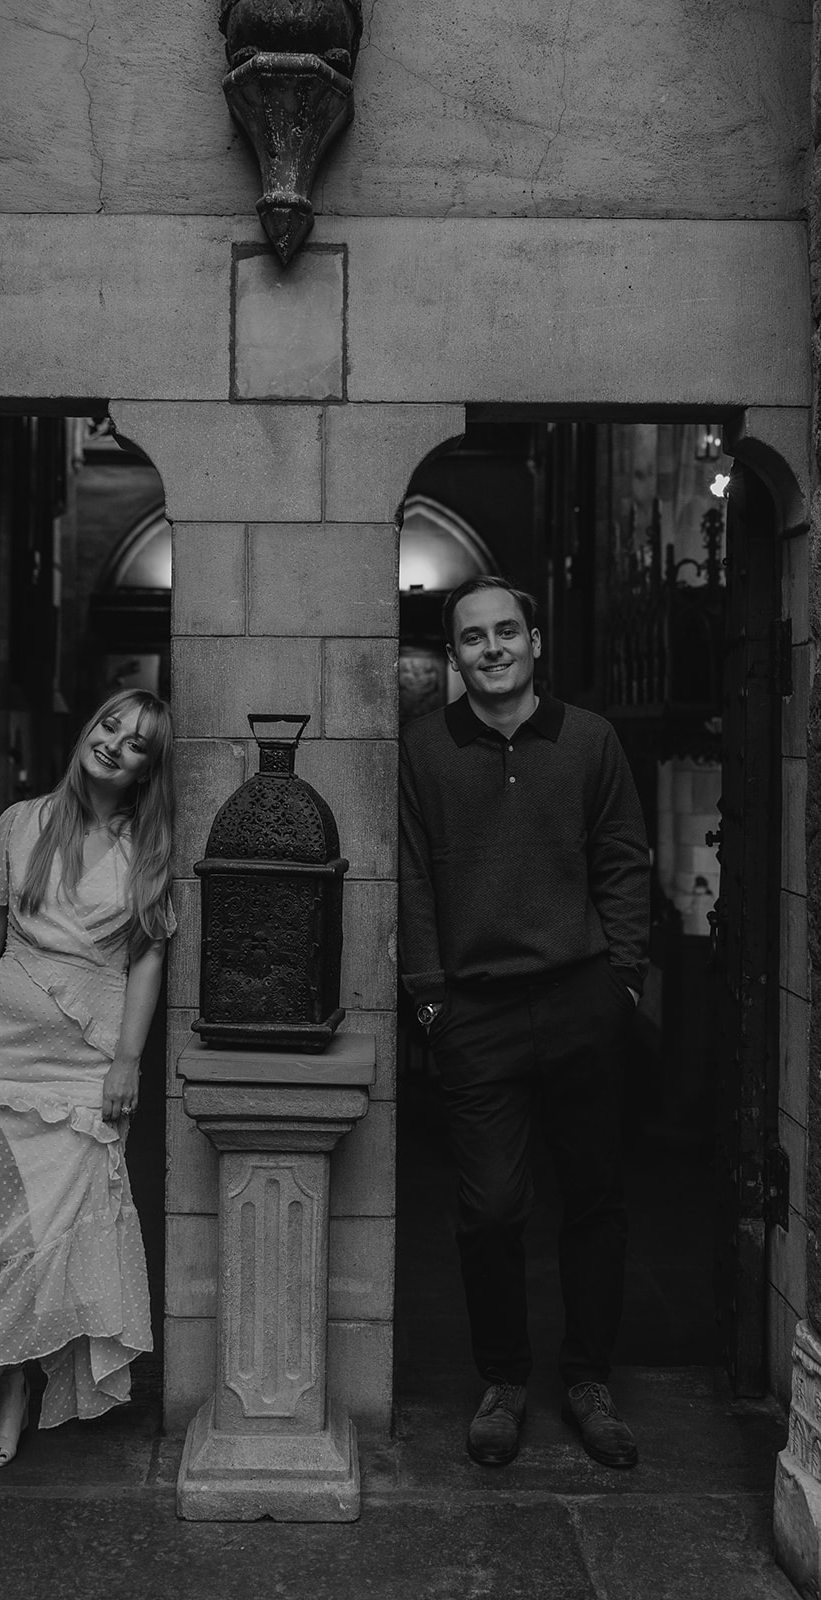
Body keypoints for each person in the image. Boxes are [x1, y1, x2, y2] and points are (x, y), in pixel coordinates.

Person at [0, 688, 175, 1499]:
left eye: (139, 742)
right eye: (110, 724)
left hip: (81, 1072)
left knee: (44, 1237)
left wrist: (130, 1060)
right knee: (5, 1240)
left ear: (151, 768)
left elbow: (148, 958)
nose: (116, 743)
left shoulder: (150, 846)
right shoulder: (22, 823)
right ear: (89, 730)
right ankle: (11, 1387)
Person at [398, 576, 650, 1470]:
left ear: (535, 641)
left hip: (580, 994)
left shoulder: (588, 741)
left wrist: (621, 977)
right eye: (473, 638)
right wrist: (430, 1001)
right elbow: (412, 882)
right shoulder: (423, 751)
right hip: (474, 1010)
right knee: (490, 1209)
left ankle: (587, 1381)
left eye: (507, 631)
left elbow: (622, 857)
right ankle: (503, 1380)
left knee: (593, 1201)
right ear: (454, 655)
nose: (492, 648)